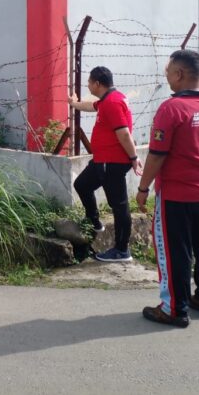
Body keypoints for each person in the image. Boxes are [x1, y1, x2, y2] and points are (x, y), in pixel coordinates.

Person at [136, 50, 199, 328]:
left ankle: (174, 309)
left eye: (168, 72)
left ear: (179, 74)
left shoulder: (171, 109)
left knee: (176, 252)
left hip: (176, 196)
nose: (167, 77)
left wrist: (143, 188)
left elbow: (157, 155)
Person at [69, 66, 142, 261]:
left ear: (97, 84)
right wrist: (74, 104)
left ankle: (121, 249)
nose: (88, 85)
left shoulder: (112, 103)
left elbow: (124, 134)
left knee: (119, 205)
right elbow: (90, 106)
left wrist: (134, 158)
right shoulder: (108, 100)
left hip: (112, 162)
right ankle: (94, 221)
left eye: (89, 82)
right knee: (82, 185)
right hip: (102, 161)